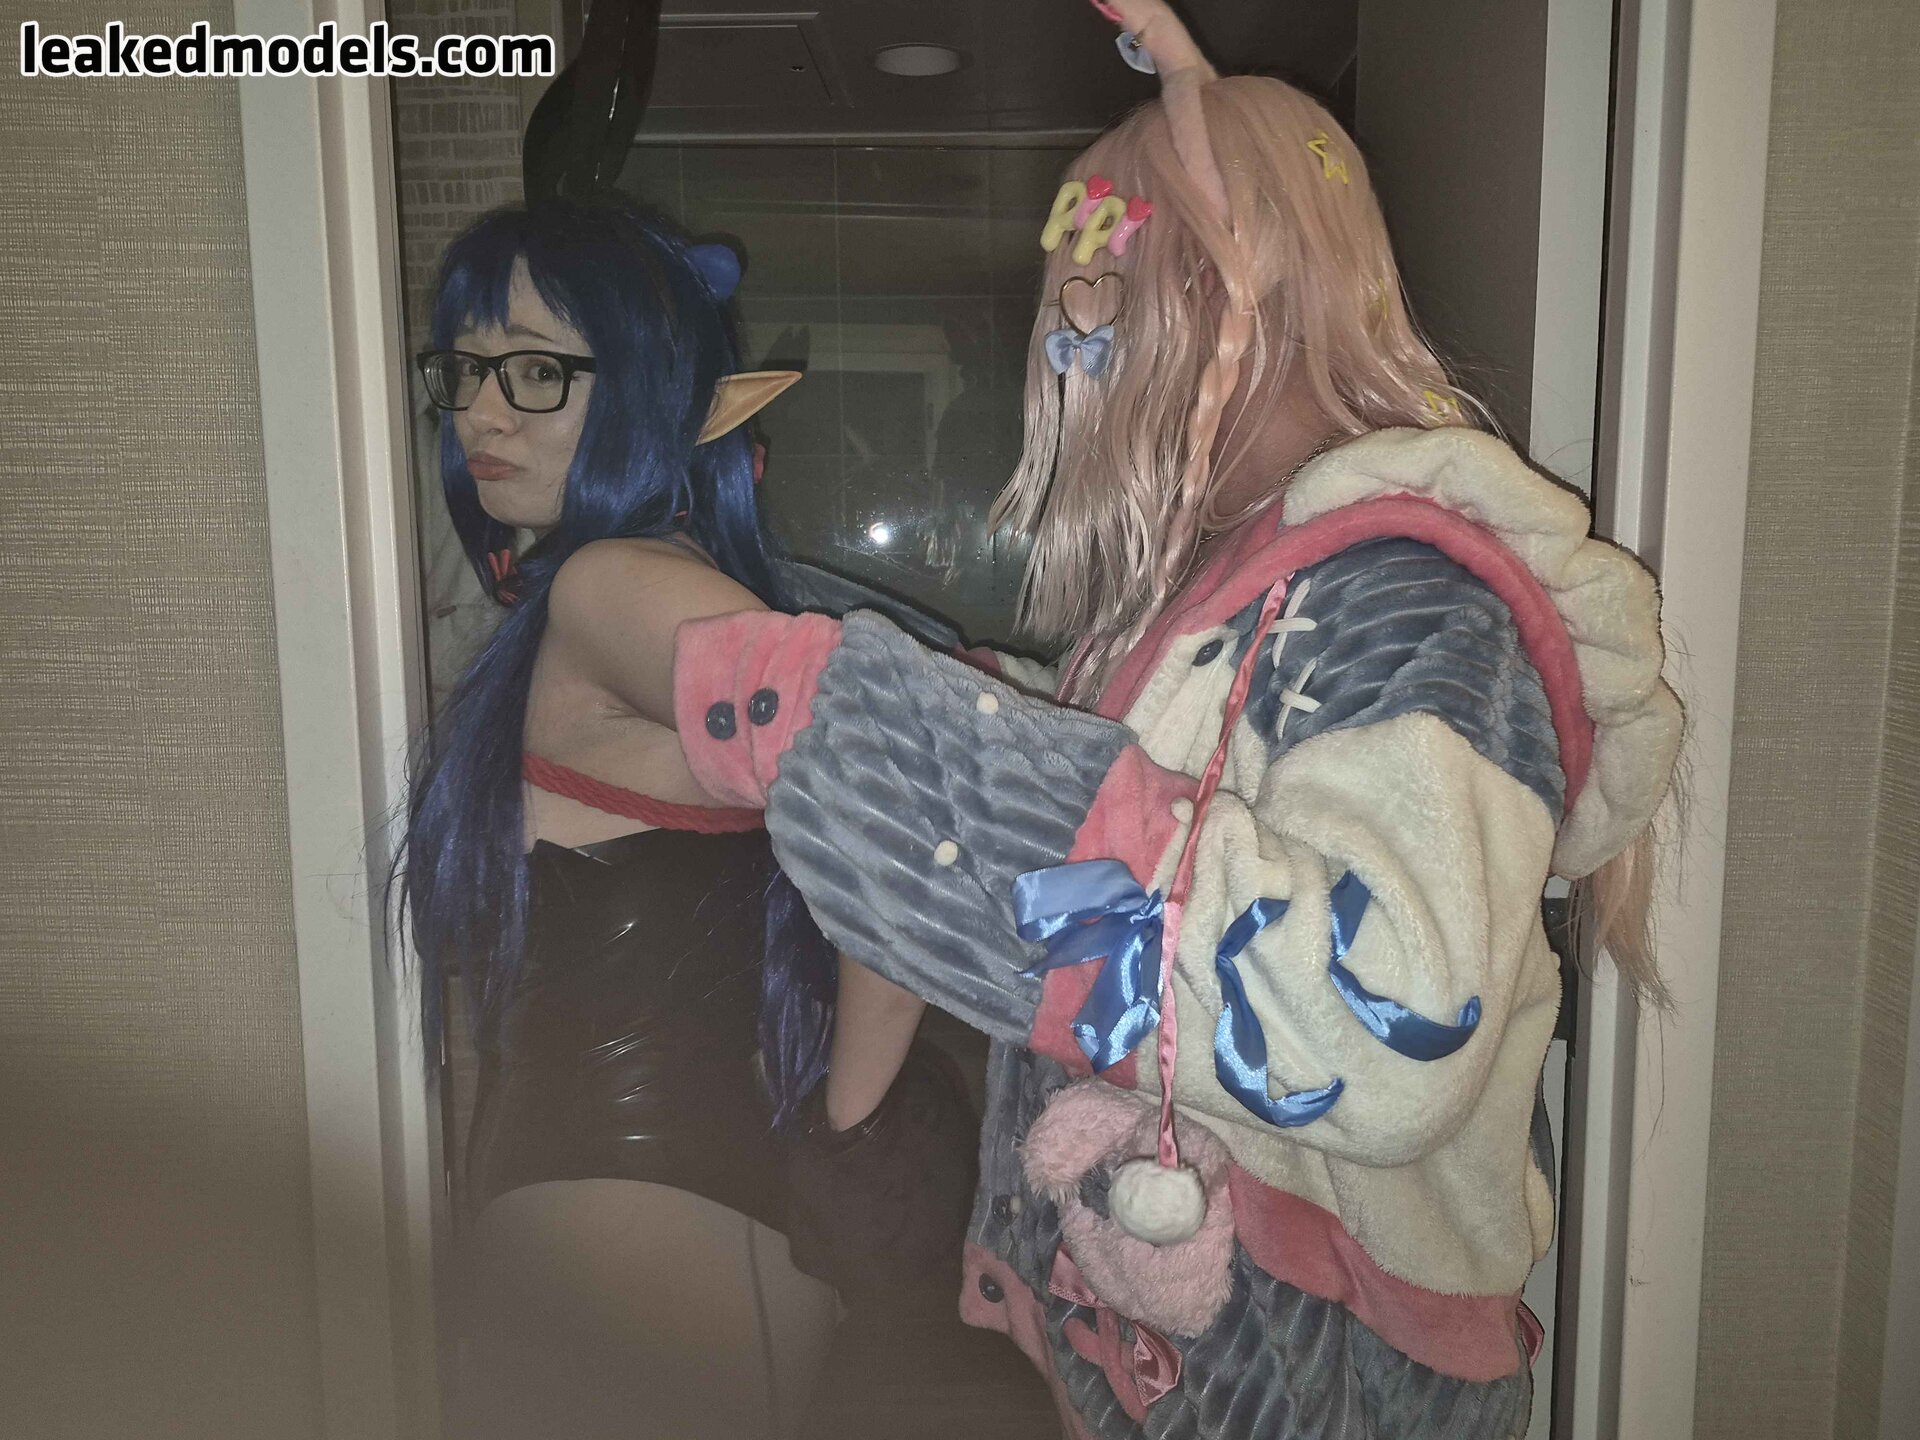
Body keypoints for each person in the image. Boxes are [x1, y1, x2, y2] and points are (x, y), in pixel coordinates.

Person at [660, 2, 1685, 1436]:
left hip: (1320, 1385)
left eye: (1097, 302)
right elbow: (1184, 785)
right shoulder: (1227, 588)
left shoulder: (1407, 607)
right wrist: (985, 708)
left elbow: (1382, 1018)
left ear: (1219, 292)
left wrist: (928, 758)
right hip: (1179, 1350)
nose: (1071, 351)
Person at [396, 195, 976, 1439]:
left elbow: (901, 780)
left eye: (537, 371)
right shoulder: (602, 588)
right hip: (642, 1227)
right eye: (466, 369)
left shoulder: (610, 586)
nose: (482, 412)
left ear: (654, 392)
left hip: (640, 1233)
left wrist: (854, 1123)